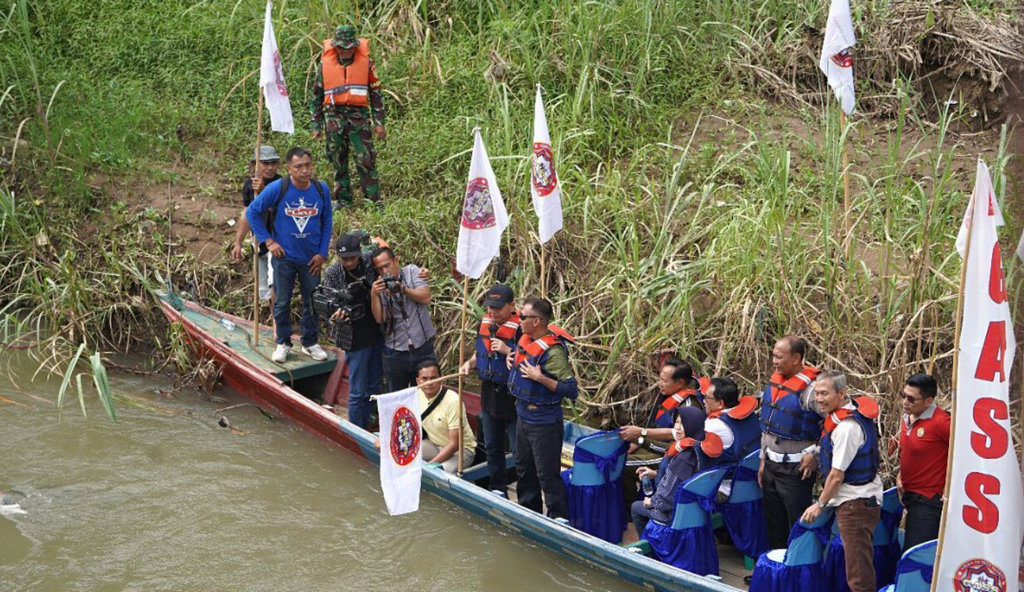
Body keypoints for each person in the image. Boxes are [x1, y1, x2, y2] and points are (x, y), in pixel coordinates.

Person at [245, 147, 332, 363]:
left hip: (311, 259)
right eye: (298, 167)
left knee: (312, 301)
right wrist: (269, 240)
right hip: (284, 258)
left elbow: (327, 220)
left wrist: (322, 253)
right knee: (282, 301)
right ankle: (283, 342)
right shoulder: (278, 188)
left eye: (307, 165)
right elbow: (252, 212)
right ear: (289, 169)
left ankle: (310, 342)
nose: (304, 171)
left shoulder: (321, 190)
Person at [800, 370, 882, 592]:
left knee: (858, 574)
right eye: (816, 393)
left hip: (856, 503)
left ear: (842, 393)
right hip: (858, 499)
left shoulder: (847, 428)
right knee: (856, 563)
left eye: (824, 394)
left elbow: (837, 476)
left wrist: (819, 504)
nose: (818, 399)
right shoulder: (846, 414)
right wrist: (814, 454)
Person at [506, 298, 578, 519]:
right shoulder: (526, 338)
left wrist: (540, 378)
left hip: (544, 421)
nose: (518, 320)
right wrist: (510, 358)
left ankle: (558, 519)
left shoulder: (553, 352)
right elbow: (521, 361)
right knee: (524, 470)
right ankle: (530, 514)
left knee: (547, 475)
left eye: (523, 317)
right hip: (523, 416)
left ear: (536, 321)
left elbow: (570, 389)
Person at [310, 25, 385, 209]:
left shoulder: (366, 63)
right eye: (342, 47)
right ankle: (342, 199)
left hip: (359, 119)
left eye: (349, 47)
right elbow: (316, 96)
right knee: (338, 158)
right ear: (335, 47)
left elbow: (376, 94)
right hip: (333, 118)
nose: (346, 51)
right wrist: (317, 125)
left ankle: (373, 200)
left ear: (355, 46)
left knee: (365, 158)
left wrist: (379, 122)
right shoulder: (324, 65)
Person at [758, 335, 821, 549]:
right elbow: (767, 427)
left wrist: (816, 454)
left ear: (796, 358)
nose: (774, 361)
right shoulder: (777, 382)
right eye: (773, 356)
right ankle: (775, 571)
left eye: (779, 357)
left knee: (797, 522)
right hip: (771, 465)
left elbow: (835, 425)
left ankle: (797, 570)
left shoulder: (813, 390)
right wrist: (762, 459)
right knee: (773, 522)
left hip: (796, 469)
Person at [459, 283, 520, 495]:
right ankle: (497, 487)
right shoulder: (485, 323)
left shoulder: (522, 327)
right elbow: (480, 353)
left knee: (519, 449)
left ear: (511, 305)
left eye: (498, 307)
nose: (492, 312)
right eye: (490, 307)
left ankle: (524, 493)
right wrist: (470, 363)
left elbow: (531, 359)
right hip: (489, 393)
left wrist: (507, 349)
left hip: (513, 395)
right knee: (492, 446)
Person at [322, 233, 381, 428]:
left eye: (353, 258)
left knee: (374, 385)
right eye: (345, 259)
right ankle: (357, 430)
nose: (349, 263)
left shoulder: (367, 259)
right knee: (357, 390)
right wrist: (337, 316)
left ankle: (368, 421)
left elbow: (379, 244)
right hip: (353, 336)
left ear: (359, 254)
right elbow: (329, 304)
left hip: (376, 328)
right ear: (338, 257)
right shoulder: (332, 273)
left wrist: (369, 235)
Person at [630, 406, 706, 535]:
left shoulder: (684, 459)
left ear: (692, 425)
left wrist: (651, 502)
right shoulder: (700, 447)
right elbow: (680, 479)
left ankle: (648, 546)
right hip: (696, 509)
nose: (677, 427)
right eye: (676, 422)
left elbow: (666, 500)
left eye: (683, 424)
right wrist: (654, 474)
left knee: (636, 507)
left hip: (673, 514)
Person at [370, 247, 436, 391]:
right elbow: (379, 319)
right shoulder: (379, 285)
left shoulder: (411, 272)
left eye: (387, 265)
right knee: (396, 397)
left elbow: (426, 297)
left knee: (426, 394)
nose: (384, 272)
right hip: (395, 351)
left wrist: (403, 289)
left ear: (396, 261)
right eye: (379, 269)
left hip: (423, 347)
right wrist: (374, 295)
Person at [896, 372, 949, 551]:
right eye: (903, 396)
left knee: (916, 554)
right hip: (907, 493)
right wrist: (900, 475)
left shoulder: (941, 422)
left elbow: (963, 452)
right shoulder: (908, 416)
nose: (905, 402)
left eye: (911, 399)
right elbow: (908, 451)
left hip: (928, 500)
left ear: (928, 401)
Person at [231, 145, 282, 305]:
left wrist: (263, 191)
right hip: (258, 240)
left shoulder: (282, 183)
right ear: (255, 165)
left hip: (277, 239)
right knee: (262, 288)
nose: (270, 167)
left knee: (275, 283)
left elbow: (280, 210)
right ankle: (268, 318)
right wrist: (238, 242)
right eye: (265, 163)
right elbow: (247, 213)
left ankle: (276, 324)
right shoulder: (249, 185)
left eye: (273, 163)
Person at [618, 358, 704, 451]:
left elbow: (680, 437)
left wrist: (641, 435)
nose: (660, 384)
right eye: (660, 379)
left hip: (673, 453)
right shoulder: (667, 394)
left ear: (680, 383)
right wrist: (638, 441)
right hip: (651, 443)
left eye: (664, 381)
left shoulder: (689, 407)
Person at [415, 360, 477, 474]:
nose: (429, 383)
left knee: (441, 474)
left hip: (461, 451)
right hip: (434, 445)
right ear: (418, 381)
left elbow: (455, 444)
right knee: (406, 454)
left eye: (433, 378)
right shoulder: (416, 395)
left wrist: (430, 466)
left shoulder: (453, 401)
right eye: (424, 379)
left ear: (441, 379)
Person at [700, 377, 760, 466]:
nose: (703, 401)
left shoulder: (714, 425)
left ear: (720, 404)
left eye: (707, 398)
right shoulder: (749, 414)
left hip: (730, 475)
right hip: (754, 467)